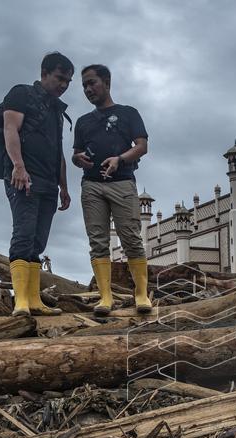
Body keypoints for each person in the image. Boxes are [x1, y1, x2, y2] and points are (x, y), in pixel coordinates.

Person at [72, 64, 151, 315]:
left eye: (92, 83)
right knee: (98, 241)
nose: (88, 89)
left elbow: (141, 146)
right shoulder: (83, 122)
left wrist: (120, 159)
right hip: (92, 186)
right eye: (84, 85)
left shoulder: (128, 113)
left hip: (123, 183)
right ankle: (105, 297)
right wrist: (78, 159)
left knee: (131, 238)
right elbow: (75, 154)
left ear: (106, 82)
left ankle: (141, 295)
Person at [2, 52, 74, 316]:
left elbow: (58, 151)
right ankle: (20, 301)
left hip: (49, 184)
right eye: (59, 78)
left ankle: (33, 300)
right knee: (23, 235)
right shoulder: (22, 94)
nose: (64, 85)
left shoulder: (56, 109)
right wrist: (19, 167)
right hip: (24, 178)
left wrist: (64, 187)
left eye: (68, 81)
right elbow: (10, 128)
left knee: (38, 243)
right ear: (44, 74)